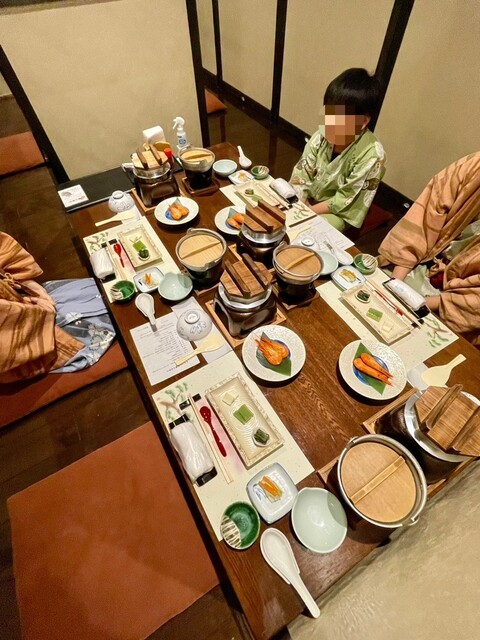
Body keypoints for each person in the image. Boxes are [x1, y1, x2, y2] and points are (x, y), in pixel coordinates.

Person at [378, 151, 480, 346]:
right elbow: (425, 215)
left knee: (413, 343)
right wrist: (395, 283)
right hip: (421, 260)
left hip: (456, 304)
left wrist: (419, 303)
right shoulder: (475, 165)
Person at [0, 232, 116, 382]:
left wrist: (31, 286)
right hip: (22, 336)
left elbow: (3, 249)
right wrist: (43, 311)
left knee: (101, 287)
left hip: (20, 297)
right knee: (113, 313)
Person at [290, 68, 386, 232]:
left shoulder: (373, 155)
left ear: (363, 121)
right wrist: (300, 200)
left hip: (338, 211)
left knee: (312, 231)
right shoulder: (321, 136)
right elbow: (302, 172)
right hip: (311, 199)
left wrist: (308, 212)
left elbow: (345, 199)